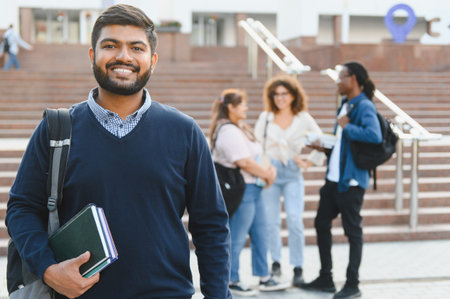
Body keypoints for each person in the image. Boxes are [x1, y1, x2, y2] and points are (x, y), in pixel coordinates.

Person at [6, 4, 231, 298]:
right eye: (110, 45)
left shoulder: (184, 131)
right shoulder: (56, 129)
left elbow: (211, 225)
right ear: (92, 56)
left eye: (136, 48)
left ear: (152, 60)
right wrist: (49, 269)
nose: (123, 56)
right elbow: (21, 208)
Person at [300, 62, 382, 299]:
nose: (337, 81)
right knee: (321, 223)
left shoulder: (364, 106)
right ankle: (326, 278)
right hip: (334, 180)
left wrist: (348, 127)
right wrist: (323, 146)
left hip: (351, 182)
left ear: (353, 79)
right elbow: (342, 144)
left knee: (352, 232)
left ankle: (352, 284)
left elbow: (374, 136)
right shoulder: (345, 105)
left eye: (341, 77)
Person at [210, 89, 288, 296]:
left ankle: (264, 277)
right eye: (243, 104)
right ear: (231, 107)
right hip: (241, 190)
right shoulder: (227, 131)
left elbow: (256, 155)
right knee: (236, 236)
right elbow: (243, 162)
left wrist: (267, 171)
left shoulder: (239, 127)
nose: (246, 108)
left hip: (255, 189)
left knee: (261, 233)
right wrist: (268, 175)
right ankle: (231, 279)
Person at [254, 75, 325, 287]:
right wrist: (263, 168)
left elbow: (321, 142)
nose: (280, 98)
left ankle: (298, 267)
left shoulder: (303, 118)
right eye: (276, 94)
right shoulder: (266, 117)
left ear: (293, 96)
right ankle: (275, 262)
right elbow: (257, 146)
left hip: (293, 172)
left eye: (284, 94)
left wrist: (308, 163)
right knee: (271, 221)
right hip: (271, 172)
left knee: (295, 220)